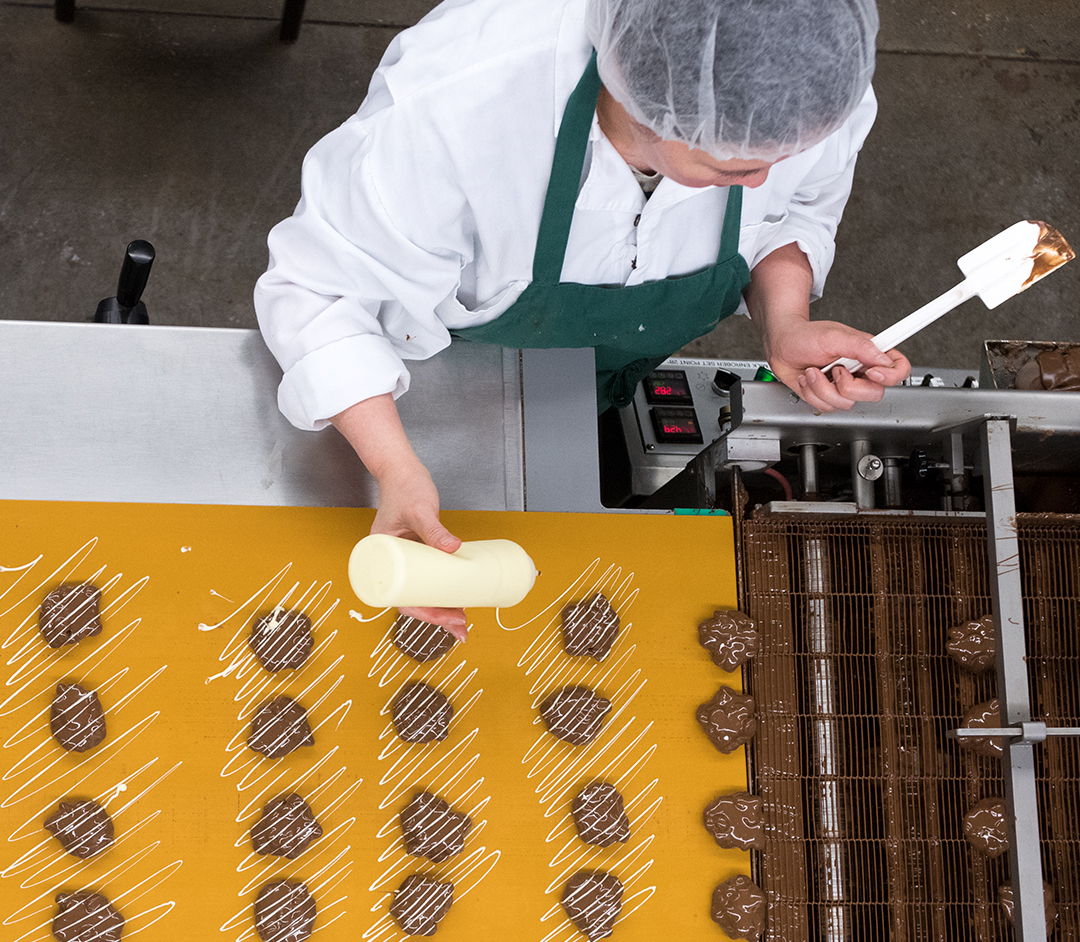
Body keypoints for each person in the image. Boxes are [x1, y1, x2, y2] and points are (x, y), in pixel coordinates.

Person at [255, 0, 910, 638]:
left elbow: (796, 213)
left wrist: (784, 320)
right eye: (737, 167)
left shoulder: (805, 72)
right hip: (423, 382)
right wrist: (395, 469)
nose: (769, 178)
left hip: (597, 382)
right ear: (647, 106)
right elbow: (316, 289)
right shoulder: (463, 103)